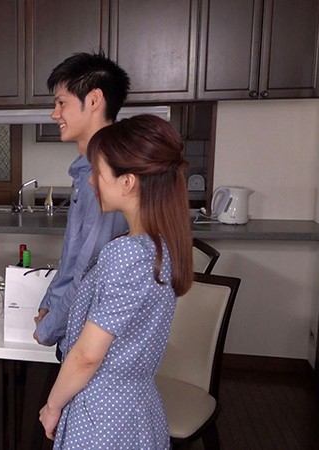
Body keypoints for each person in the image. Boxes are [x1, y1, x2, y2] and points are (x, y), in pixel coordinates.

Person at [39, 114, 194, 448]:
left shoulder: (127, 254)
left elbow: (87, 355)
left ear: (127, 182)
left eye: (98, 171)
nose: (91, 181)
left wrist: (52, 406)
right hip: (138, 409)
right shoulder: (159, 247)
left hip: (102, 415)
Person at [34, 51, 131, 357]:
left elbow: (88, 273)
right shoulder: (85, 169)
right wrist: (49, 304)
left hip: (87, 343)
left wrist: (49, 328)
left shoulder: (105, 178)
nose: (54, 114)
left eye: (61, 103)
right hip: (75, 333)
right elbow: (72, 259)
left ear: (93, 100)